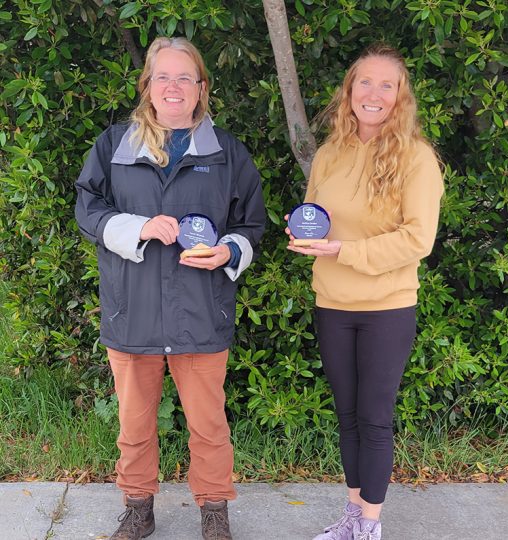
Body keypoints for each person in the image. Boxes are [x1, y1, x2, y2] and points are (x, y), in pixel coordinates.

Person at [75, 37, 265, 540]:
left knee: (209, 425)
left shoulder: (228, 152)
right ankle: (138, 507)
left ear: (201, 88)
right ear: (149, 87)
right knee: (134, 425)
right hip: (131, 311)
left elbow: (251, 225)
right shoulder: (113, 145)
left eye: (185, 78)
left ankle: (214, 511)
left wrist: (228, 251)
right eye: (164, 77)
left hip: (201, 312)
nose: (174, 87)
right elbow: (87, 208)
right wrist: (136, 226)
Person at [286, 43, 444, 540]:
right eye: (364, 82)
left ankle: (371, 525)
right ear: (349, 90)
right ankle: (353, 515)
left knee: (375, 419)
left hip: (386, 309)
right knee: (348, 416)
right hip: (332, 305)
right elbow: (313, 217)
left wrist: (343, 252)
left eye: (386, 84)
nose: (373, 93)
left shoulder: (417, 158)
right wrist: (305, 240)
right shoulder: (330, 154)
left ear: (400, 97)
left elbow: (418, 239)